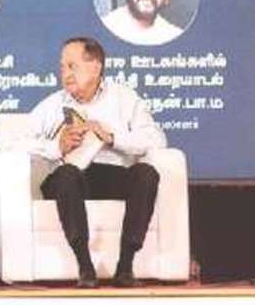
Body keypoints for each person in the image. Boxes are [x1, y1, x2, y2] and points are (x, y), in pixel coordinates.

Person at [24, 37, 166, 288]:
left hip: (113, 175)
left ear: (96, 67)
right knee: (67, 175)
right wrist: (56, 146)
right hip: (70, 179)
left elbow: (156, 139)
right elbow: (15, 143)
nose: (65, 74)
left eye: (72, 66)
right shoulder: (53, 104)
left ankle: (125, 267)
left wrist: (112, 137)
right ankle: (85, 266)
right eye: (62, 67)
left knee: (146, 173)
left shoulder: (124, 98)